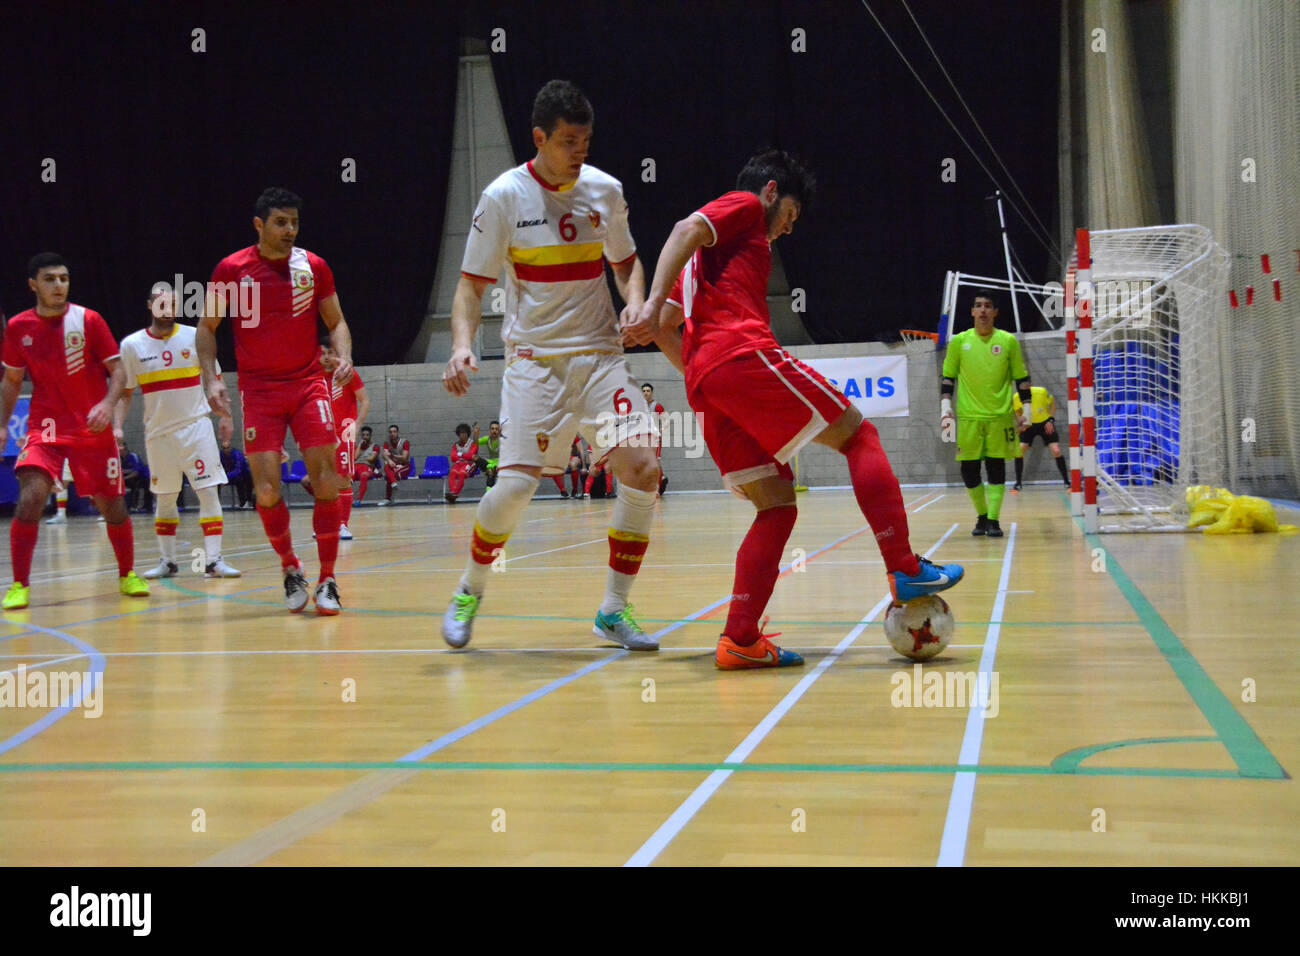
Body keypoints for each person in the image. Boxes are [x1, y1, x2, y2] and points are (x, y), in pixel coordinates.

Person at [623, 149, 963, 670]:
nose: (788, 228)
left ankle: (739, 638)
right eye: (791, 215)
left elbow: (668, 327)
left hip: (709, 385)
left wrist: (696, 365)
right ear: (772, 191)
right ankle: (903, 566)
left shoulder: (701, 267)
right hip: (742, 354)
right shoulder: (742, 206)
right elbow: (683, 227)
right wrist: (648, 304)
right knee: (859, 437)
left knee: (777, 505)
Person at [440, 79, 662, 652]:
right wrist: (462, 345)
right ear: (539, 137)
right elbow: (469, 288)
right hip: (534, 363)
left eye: (585, 139)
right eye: (568, 140)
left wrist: (635, 301)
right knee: (514, 488)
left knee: (642, 468)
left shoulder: (605, 191)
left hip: (598, 356)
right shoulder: (503, 198)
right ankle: (469, 587)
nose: (579, 150)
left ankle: (614, 610)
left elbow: (627, 265)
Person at [199, 187, 355, 614]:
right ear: (259, 225)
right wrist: (211, 378)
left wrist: (344, 355)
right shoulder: (231, 269)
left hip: (307, 385)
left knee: (326, 482)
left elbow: (336, 320)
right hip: (259, 391)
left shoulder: (314, 267)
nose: (290, 230)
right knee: (266, 491)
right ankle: (290, 567)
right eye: (281, 222)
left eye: (295, 223)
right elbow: (207, 327)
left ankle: (328, 579)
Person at [1, 253, 150, 609]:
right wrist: (2, 424)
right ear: (33, 284)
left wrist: (106, 405)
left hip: (90, 427)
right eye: (50, 279)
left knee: (113, 506)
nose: (59, 285)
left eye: (64, 278)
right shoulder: (19, 327)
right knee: (31, 498)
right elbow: (11, 380)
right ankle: (19, 584)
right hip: (46, 427)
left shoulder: (89, 320)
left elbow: (119, 373)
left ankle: (127, 574)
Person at [116, 287, 240, 579]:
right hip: (158, 434)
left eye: (173, 301)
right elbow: (124, 393)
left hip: (196, 427)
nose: (168, 306)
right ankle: (167, 561)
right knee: (165, 497)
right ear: (149, 305)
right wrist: (117, 426)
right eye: (161, 301)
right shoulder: (132, 345)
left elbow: (216, 381)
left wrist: (226, 417)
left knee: (209, 492)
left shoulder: (195, 337)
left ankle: (214, 561)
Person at [939, 294, 1033, 537]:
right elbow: (948, 377)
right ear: (972, 312)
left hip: (999, 417)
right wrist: (945, 407)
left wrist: (1028, 412)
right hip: (968, 417)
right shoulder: (959, 341)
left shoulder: (1008, 341)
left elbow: (1021, 379)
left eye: (987, 306)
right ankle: (981, 515)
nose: (982, 311)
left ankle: (993, 519)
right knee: (968, 470)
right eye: (978, 306)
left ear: (995, 313)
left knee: (996, 467)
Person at [318, 339, 368, 538]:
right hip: (322, 433)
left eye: (331, 352)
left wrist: (356, 425)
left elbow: (365, 400)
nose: (328, 357)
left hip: (344, 430)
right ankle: (327, 523)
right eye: (323, 353)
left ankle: (342, 524)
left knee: (343, 478)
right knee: (323, 480)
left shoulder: (346, 373)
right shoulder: (314, 375)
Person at [1012, 384, 1070, 491]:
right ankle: (1018, 484)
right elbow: (1017, 410)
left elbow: (1052, 403)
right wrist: (1022, 422)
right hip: (1028, 424)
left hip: (1044, 422)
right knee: (1020, 450)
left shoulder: (1041, 391)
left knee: (1056, 450)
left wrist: (1051, 420)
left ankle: (1067, 482)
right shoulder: (1016, 397)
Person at [642, 382, 668, 495]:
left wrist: (661, 431)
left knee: (655, 463)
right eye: (644, 391)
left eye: (648, 391)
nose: (646, 393)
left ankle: (657, 489)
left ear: (651, 393)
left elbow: (666, 420)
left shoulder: (656, 406)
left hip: (654, 439)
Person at [446, 422, 479, 503]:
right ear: (458, 434)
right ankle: (452, 492)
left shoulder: (472, 443)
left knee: (461, 473)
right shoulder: (455, 445)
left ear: (468, 434)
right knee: (452, 472)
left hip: (470, 464)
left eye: (464, 433)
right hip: (459, 464)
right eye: (461, 433)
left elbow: (471, 456)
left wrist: (459, 454)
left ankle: (454, 494)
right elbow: (453, 458)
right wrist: (465, 455)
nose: (462, 435)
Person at [378, 424, 410, 505]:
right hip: (393, 465)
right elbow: (384, 454)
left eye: (394, 432)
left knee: (391, 475)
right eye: (390, 432)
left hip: (404, 466)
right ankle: (393, 484)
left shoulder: (405, 442)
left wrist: (392, 455)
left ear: (398, 432)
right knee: (387, 467)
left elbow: (404, 458)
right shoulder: (387, 442)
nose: (392, 433)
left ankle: (387, 498)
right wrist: (389, 460)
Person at [220, 436, 253, 508]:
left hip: (242, 476)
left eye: (227, 448)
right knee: (216, 482)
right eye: (224, 448)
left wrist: (226, 477)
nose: (226, 450)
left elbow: (238, 470)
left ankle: (245, 502)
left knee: (242, 479)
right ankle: (216, 504)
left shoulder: (237, 454)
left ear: (230, 447)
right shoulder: (220, 455)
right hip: (228, 476)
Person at [473, 420, 502, 488]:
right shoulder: (487, 439)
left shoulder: (503, 440)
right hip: (490, 463)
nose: (494, 431)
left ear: (499, 431)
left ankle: (488, 492)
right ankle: (490, 468)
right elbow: (475, 444)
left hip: (500, 463)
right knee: (475, 457)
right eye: (492, 429)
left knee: (490, 472)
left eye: (496, 429)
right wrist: (476, 433)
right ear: (489, 430)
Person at [354, 425, 380, 502]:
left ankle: (359, 499)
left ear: (370, 436)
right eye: (363, 435)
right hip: (356, 467)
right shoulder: (357, 447)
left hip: (366, 467)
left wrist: (362, 458)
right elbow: (355, 457)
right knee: (347, 477)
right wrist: (359, 445)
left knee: (364, 476)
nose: (365, 437)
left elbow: (371, 459)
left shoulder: (375, 447)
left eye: (367, 435)